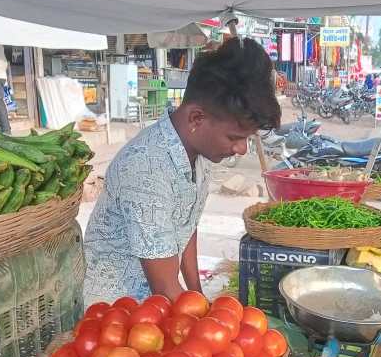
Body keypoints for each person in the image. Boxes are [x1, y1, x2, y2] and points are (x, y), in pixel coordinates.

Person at [82, 37, 281, 304]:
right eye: (234, 137)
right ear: (196, 118)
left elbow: (186, 225)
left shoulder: (199, 155)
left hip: (160, 305)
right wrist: (211, 321)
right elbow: (164, 286)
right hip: (117, 313)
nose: (241, 149)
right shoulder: (146, 169)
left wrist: (197, 293)